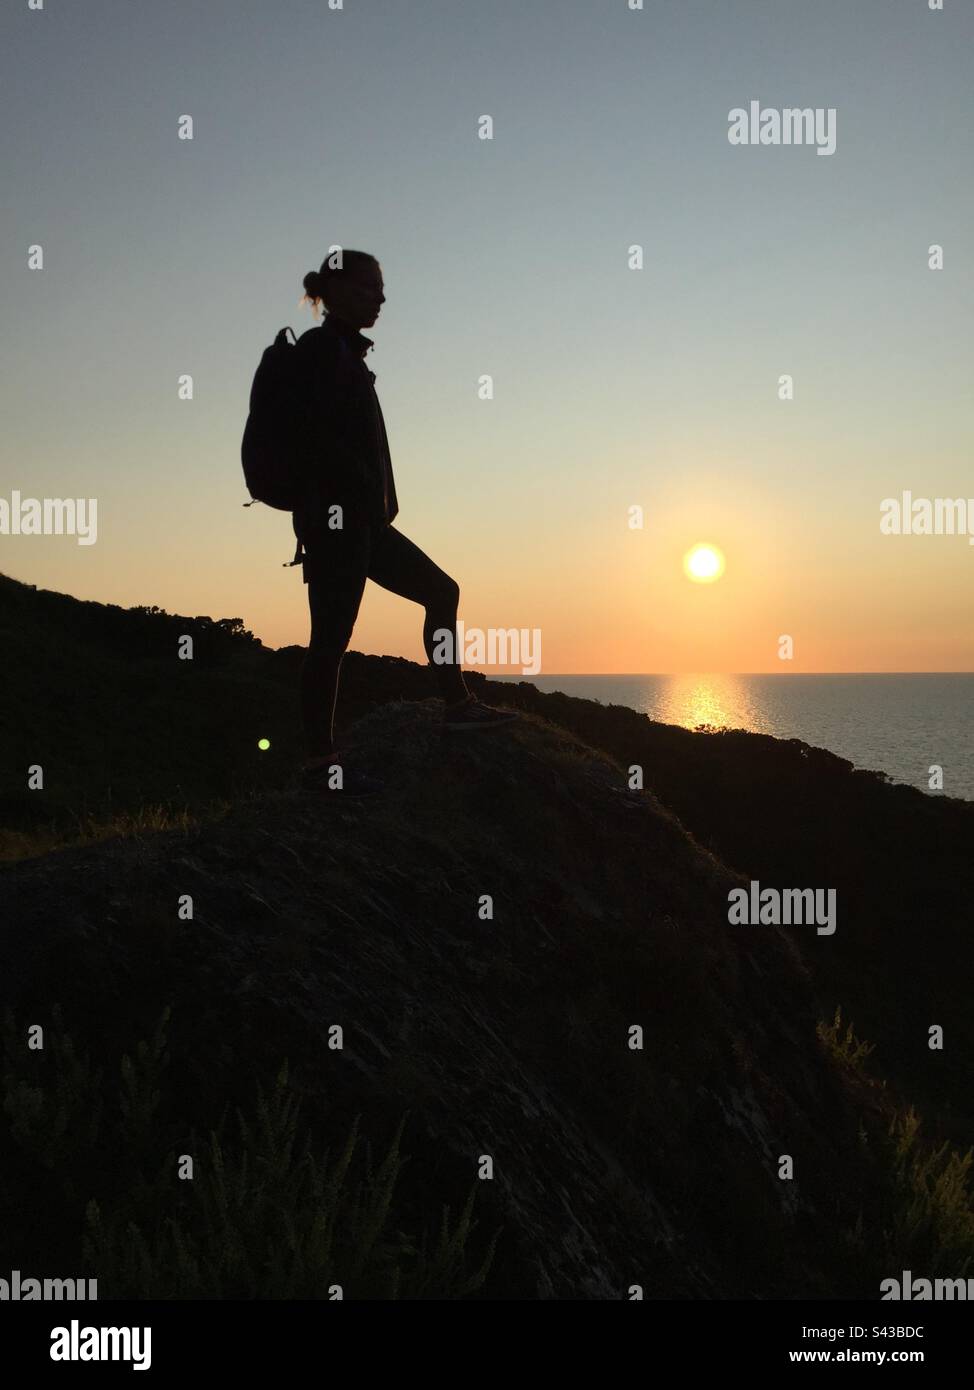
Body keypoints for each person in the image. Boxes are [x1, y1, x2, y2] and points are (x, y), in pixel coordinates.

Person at [293, 249, 518, 794]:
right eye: (370, 287)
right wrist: (347, 495)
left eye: (381, 288)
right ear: (340, 290)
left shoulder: (346, 352)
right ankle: (320, 763)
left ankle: (457, 704)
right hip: (336, 523)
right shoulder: (323, 350)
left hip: (364, 522)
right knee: (332, 640)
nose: (381, 298)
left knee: (441, 591)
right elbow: (314, 438)